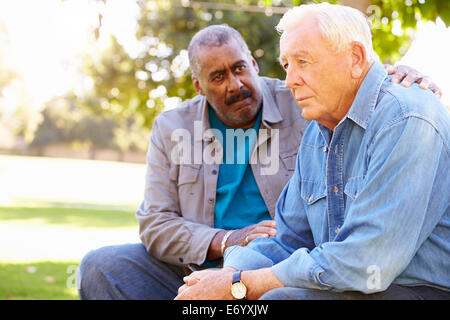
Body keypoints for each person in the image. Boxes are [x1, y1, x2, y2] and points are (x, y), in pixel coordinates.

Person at [78, 23, 442, 300]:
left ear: (253, 63)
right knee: (100, 266)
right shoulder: (171, 127)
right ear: (199, 86)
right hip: (203, 264)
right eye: (218, 77)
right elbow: (155, 223)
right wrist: (226, 244)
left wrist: (396, 76)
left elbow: (350, 87)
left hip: (282, 269)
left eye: (240, 68)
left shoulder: (302, 101)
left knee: (270, 297)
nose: (235, 84)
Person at [175, 4, 450, 300]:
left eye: (303, 61)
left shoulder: (405, 118)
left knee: (273, 300)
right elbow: (285, 238)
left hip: (416, 289)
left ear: (355, 58)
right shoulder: (317, 135)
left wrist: (239, 286)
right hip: (347, 285)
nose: (291, 79)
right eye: (286, 65)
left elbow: (367, 262)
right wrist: (228, 275)